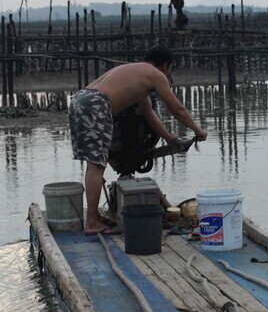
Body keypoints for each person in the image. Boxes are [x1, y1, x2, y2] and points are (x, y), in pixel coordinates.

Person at [69, 46, 207, 234]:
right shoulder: (157, 75)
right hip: (96, 104)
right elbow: (177, 108)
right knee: (96, 165)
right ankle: (92, 222)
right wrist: (197, 129)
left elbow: (148, 112)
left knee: (94, 162)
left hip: (81, 99)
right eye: (169, 69)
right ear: (165, 66)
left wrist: (168, 138)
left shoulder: (139, 74)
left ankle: (94, 216)